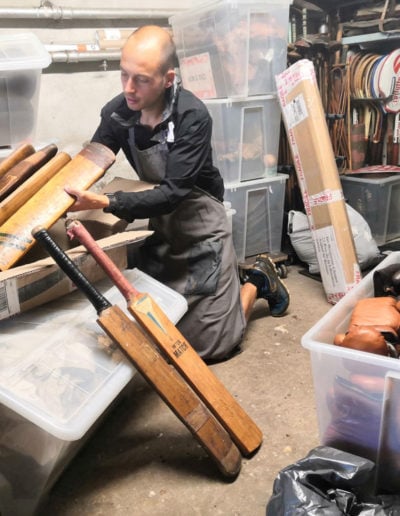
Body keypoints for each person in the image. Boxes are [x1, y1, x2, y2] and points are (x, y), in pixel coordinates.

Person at [65, 25, 290, 362]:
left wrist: (107, 202)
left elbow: (173, 193)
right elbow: (95, 157)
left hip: (199, 221)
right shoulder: (119, 111)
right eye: (123, 74)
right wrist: (59, 188)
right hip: (161, 220)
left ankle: (257, 280)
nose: (129, 88)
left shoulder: (192, 117)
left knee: (210, 348)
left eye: (141, 79)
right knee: (163, 341)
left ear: (168, 79)